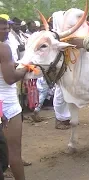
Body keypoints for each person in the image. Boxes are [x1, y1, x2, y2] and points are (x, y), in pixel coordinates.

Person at [0, 17, 29, 180]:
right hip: (7, 106)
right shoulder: (3, 47)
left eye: (7, 27)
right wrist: (24, 70)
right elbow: (10, 78)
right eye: (2, 27)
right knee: (14, 154)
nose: (6, 30)